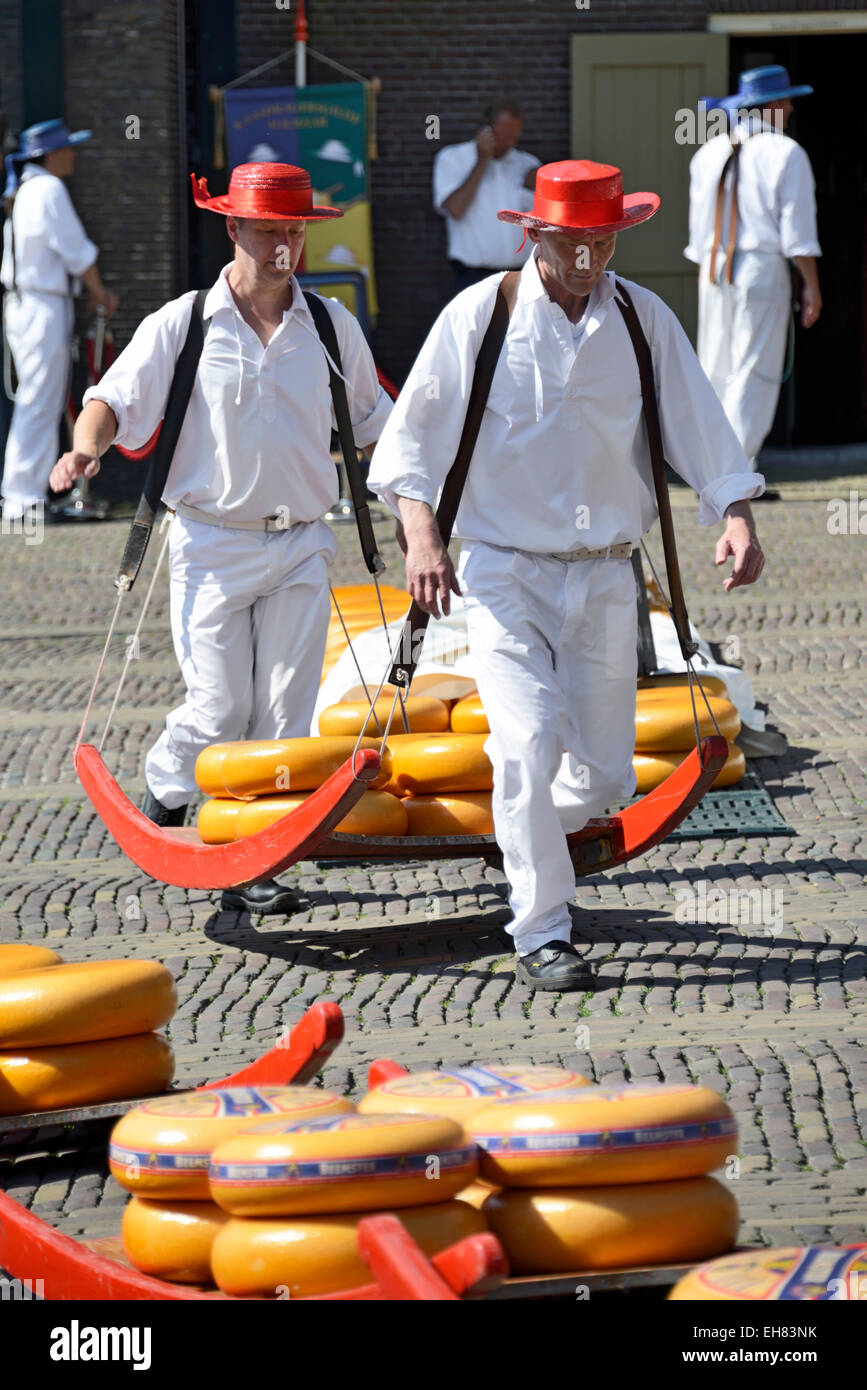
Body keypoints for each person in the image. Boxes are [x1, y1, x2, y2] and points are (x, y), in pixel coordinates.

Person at [368, 160, 766, 992]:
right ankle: (542, 928)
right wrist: (421, 540)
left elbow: (698, 424)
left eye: (601, 240)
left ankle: (524, 848)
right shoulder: (480, 317)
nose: (588, 257)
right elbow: (408, 448)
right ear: (536, 235)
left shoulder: (641, 318)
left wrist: (735, 514)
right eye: (572, 241)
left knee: (606, 775)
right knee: (524, 741)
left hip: (607, 577)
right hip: (504, 570)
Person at [50, 162, 392, 915]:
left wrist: (427, 504)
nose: (283, 244)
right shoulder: (183, 323)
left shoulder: (332, 325)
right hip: (211, 543)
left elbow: (377, 428)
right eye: (269, 228)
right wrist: (85, 448)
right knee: (217, 709)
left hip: (302, 542)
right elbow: (112, 397)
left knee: (283, 716)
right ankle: (168, 783)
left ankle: (256, 862)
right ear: (233, 228)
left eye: (295, 230)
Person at [685, 66, 821, 474]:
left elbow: (697, 233)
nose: (793, 107)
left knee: (715, 362)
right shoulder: (786, 152)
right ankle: (736, 470)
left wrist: (705, 275)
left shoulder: (707, 152)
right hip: (759, 265)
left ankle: (716, 464)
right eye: (787, 100)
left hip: (713, 265)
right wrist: (811, 286)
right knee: (754, 368)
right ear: (773, 106)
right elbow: (797, 233)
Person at [1, 119, 117, 521]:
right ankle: (21, 500)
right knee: (39, 401)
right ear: (51, 154)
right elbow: (76, 250)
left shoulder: (27, 190)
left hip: (31, 303)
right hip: (42, 304)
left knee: (40, 400)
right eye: (67, 148)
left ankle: (25, 495)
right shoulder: (47, 188)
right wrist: (100, 292)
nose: (73, 155)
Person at [433, 96, 539, 294]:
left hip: (523, 274)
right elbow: (455, 208)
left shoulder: (527, 163)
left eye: (514, 137)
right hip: (473, 276)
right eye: (504, 135)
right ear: (486, 129)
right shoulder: (452, 158)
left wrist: (532, 188)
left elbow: (543, 220)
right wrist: (483, 160)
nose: (509, 143)